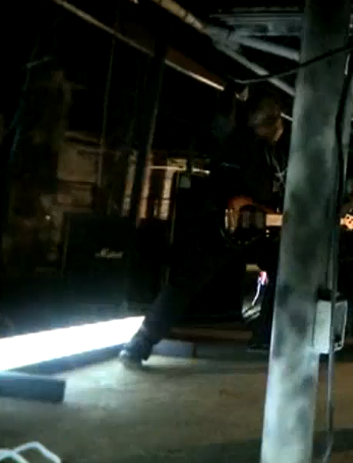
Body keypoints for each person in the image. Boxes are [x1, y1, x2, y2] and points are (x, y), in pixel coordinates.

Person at [119, 88, 287, 366]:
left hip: (254, 230)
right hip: (220, 227)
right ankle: (141, 342)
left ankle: (265, 338)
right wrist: (231, 93)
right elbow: (221, 130)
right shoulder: (238, 141)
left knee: (285, 273)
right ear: (267, 122)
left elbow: (269, 198)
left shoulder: (272, 156)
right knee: (186, 281)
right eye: (277, 120)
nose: (281, 127)